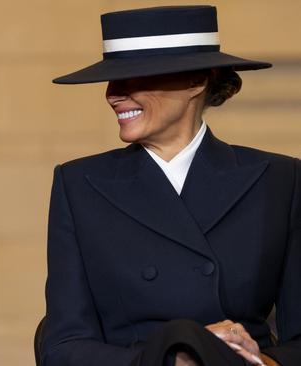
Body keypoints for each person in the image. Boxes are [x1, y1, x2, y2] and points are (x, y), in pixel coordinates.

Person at [40, 6, 301, 366]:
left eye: (133, 78)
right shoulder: (79, 185)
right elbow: (62, 348)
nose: (113, 94)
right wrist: (172, 357)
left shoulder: (280, 179)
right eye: (111, 80)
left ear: (197, 81)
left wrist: (261, 362)